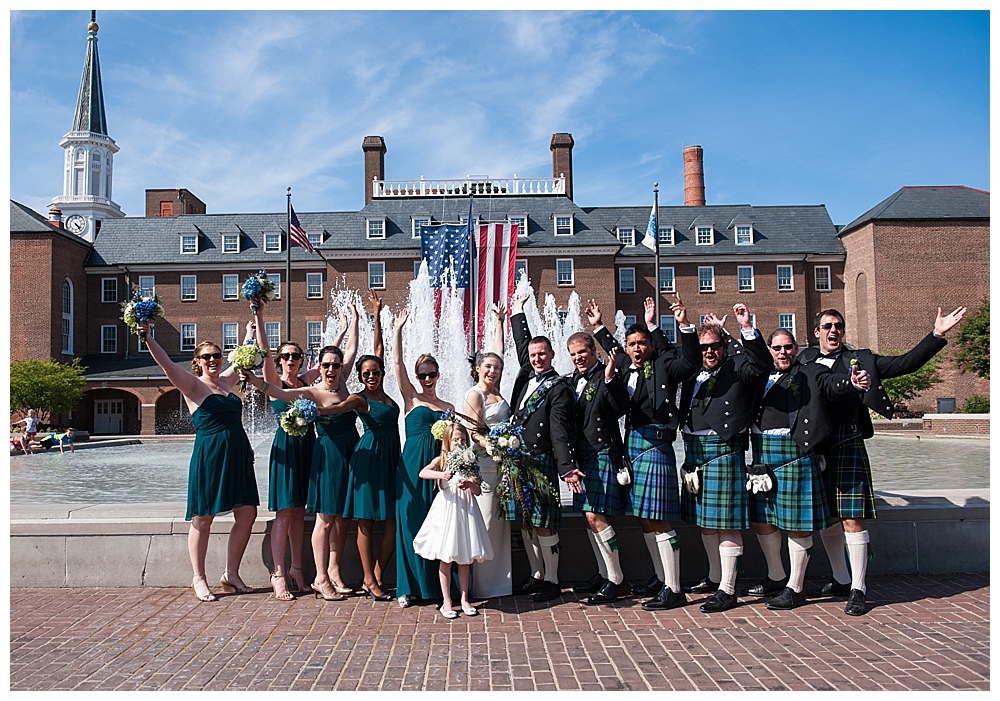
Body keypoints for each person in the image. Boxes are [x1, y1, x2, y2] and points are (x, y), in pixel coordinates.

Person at [798, 306, 967, 616]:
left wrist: (936, 334)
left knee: (851, 518)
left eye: (838, 326)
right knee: (829, 517)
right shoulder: (803, 361)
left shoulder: (861, 359)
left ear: (843, 331)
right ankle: (839, 578)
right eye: (827, 326)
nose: (833, 331)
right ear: (817, 331)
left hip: (847, 443)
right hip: (815, 447)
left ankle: (858, 588)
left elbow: (905, 364)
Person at [589, 295, 701, 610]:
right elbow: (612, 349)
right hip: (633, 443)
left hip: (657, 443)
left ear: (650, 344)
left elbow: (690, 362)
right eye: (632, 344)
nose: (637, 348)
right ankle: (660, 576)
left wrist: (683, 325)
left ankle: (675, 588)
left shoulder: (664, 364)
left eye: (642, 343)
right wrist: (598, 326)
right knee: (645, 519)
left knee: (660, 519)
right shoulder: (624, 364)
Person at [747, 328, 869, 612]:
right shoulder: (760, 375)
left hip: (794, 456)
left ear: (796, 348)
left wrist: (852, 382)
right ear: (769, 350)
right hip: (763, 456)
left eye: (788, 347)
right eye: (777, 348)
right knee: (763, 521)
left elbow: (832, 384)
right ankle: (778, 577)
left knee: (796, 526)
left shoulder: (810, 372)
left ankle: (796, 587)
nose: (783, 352)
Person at [139, 319, 258, 602]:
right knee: (203, 517)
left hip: (239, 453)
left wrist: (249, 332)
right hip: (211, 455)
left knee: (247, 514)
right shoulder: (192, 385)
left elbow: (243, 354)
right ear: (198, 362)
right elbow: (167, 364)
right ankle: (199, 577)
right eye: (207, 357)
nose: (213, 360)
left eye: (217, 355)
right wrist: (147, 337)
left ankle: (231, 573)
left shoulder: (228, 381)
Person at [248, 302, 358, 600]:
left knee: (299, 512)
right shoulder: (277, 380)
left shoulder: (307, 380)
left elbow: (330, 362)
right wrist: (258, 315)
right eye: (286, 356)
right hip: (286, 448)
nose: (291, 360)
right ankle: (279, 574)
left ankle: (299, 568)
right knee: (285, 512)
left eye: (296, 356)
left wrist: (345, 329)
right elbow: (266, 353)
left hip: (310, 447)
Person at [677, 305, 771, 613]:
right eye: (703, 347)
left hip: (722, 450)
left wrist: (744, 328)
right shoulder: (692, 375)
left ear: (723, 346)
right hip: (695, 451)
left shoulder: (737, 368)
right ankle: (714, 577)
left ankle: (728, 589)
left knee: (726, 523)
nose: (708, 352)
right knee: (706, 522)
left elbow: (761, 364)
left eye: (714, 346)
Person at [318, 291, 399, 602]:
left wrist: (376, 316)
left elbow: (377, 350)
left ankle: (376, 576)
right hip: (367, 459)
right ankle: (368, 578)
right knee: (365, 520)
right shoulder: (359, 398)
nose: (371, 377)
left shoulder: (384, 391)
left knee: (391, 522)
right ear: (361, 377)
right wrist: (310, 410)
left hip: (391, 457)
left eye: (375, 372)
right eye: (366, 374)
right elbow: (334, 409)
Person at [507, 293, 577, 603]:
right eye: (534, 355)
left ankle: (552, 578)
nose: (536, 359)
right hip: (519, 458)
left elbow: (559, 431)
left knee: (545, 524)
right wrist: (518, 312)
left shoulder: (558, 387)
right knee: (526, 522)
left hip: (542, 458)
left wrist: (566, 468)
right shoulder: (526, 376)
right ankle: (536, 574)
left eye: (542, 354)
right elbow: (523, 347)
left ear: (551, 355)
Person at [391, 307, 455, 608]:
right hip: (411, 466)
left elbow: (457, 442)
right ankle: (405, 587)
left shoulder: (448, 405)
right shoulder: (411, 397)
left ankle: (435, 589)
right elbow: (396, 363)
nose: (426, 378)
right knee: (409, 523)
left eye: (431, 374)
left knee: (438, 525)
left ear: (438, 374)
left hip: (438, 470)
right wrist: (398, 329)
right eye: (422, 375)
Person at [563, 330, 630, 604]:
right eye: (574, 354)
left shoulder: (605, 375)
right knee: (588, 518)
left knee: (595, 517)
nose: (578, 357)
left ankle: (616, 579)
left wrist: (611, 377)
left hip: (602, 451)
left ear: (593, 351)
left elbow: (621, 406)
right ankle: (604, 573)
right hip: (583, 455)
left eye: (582, 352)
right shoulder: (572, 380)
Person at [412, 422, 494, 619]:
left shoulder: (471, 461)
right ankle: (447, 601)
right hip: (447, 511)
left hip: (466, 510)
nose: (459, 443)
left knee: (464, 558)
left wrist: (469, 484)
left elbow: (478, 490)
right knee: (446, 558)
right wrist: (442, 474)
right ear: (447, 441)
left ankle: (465, 599)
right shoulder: (442, 459)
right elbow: (423, 472)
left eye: (462, 439)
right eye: (455, 440)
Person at [464, 303, 513, 600]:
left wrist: (498, 322)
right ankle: (480, 586)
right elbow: (473, 431)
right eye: (488, 367)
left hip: (503, 464)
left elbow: (499, 352)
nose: (493, 370)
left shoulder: (498, 391)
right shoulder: (476, 393)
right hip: (485, 465)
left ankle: (500, 583)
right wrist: (495, 446)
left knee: (499, 523)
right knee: (484, 522)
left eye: (496, 368)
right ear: (477, 370)